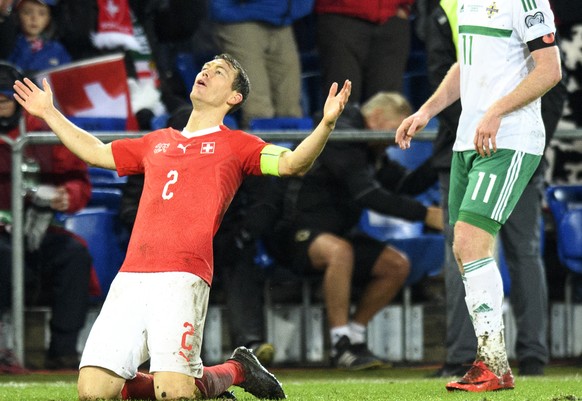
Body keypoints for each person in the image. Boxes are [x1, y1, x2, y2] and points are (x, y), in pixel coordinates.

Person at [13, 53, 351, 399]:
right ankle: (225, 373)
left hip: (183, 276)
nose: (205, 71)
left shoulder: (238, 145)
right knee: (93, 392)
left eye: (219, 72)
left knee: (174, 394)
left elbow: (293, 163)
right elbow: (97, 152)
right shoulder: (156, 141)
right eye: (205, 67)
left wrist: (325, 124)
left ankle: (235, 370)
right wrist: (49, 112)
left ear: (234, 97)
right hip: (131, 277)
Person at [396, 0, 562, 392]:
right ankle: (494, 364)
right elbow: (464, 67)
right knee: (465, 249)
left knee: (471, 241)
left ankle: (492, 361)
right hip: (467, 140)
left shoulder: (527, 2)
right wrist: (427, 111)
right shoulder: (464, 2)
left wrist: (498, 110)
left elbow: (550, 69)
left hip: (508, 138)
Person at [270, 91, 443, 371]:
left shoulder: (371, 152)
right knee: (341, 252)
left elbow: (405, 185)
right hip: (295, 232)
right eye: (395, 128)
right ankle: (340, 345)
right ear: (374, 118)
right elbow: (367, 195)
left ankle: (355, 338)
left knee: (396, 265)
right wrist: (425, 214)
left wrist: (441, 153)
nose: (397, 138)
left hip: (338, 234)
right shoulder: (340, 137)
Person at [118, 106, 277, 366]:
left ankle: (250, 344)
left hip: (222, 237)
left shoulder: (230, 149)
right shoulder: (156, 153)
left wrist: (244, 233)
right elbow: (128, 209)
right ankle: (158, 348)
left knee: (241, 256)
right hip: (167, 244)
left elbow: (264, 201)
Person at [0, 61, 93, 370]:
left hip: (36, 226)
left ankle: (63, 350)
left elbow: (78, 178)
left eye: (5, 97)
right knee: (9, 263)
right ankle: (4, 349)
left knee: (75, 255)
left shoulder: (39, 129)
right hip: (2, 234)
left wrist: (69, 195)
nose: (1, 103)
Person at [210, 0, 312, 128]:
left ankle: (288, 148)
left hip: (283, 20)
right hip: (240, 18)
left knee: (290, 111)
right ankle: (256, 147)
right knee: (258, 112)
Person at [314, 0, 414, 106]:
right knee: (342, 105)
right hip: (339, 15)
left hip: (393, 18)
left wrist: (406, 5)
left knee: (387, 107)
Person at [8, 0, 71, 75]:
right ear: (17, 15)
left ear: (48, 18)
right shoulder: (8, 46)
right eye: (27, 12)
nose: (34, 18)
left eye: (42, 13)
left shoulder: (58, 50)